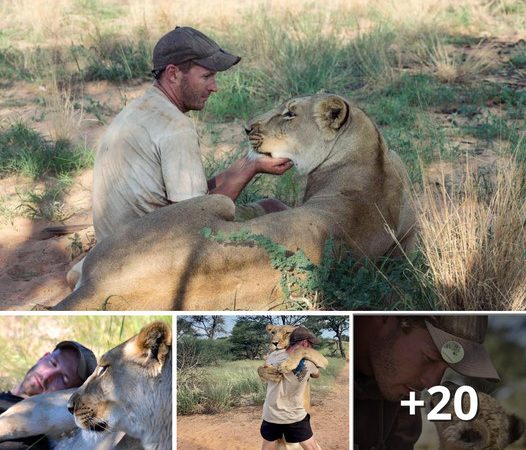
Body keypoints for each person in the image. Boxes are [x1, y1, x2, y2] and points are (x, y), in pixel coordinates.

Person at [92, 25, 293, 241]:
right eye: (206, 76)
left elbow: (187, 198)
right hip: (150, 252)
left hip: (112, 247)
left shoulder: (140, 108)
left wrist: (248, 162)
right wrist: (252, 168)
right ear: (173, 74)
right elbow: (197, 220)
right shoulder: (176, 128)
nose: (214, 87)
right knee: (275, 209)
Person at [354, 315, 500, 450]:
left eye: (447, 368)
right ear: (383, 316)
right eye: (429, 358)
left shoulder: (403, 400)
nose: (433, 384)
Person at [0, 341, 97, 450]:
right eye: (53, 363)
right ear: (43, 357)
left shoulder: (28, 441)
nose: (48, 376)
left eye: (63, 379)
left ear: (66, 395)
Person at [260, 326, 322, 450]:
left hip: (270, 414)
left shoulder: (272, 357)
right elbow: (317, 373)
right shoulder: (310, 363)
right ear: (305, 342)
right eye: (310, 344)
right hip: (295, 416)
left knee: (267, 447)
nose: (276, 338)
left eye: (286, 334)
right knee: (311, 447)